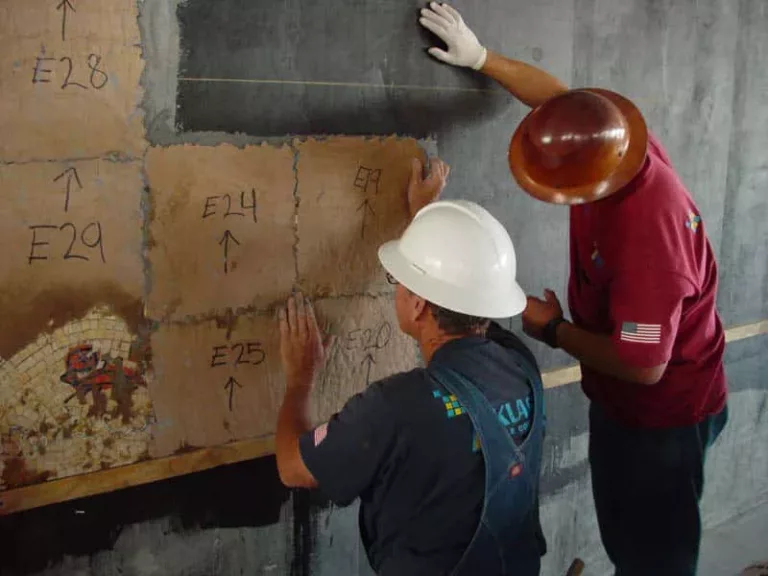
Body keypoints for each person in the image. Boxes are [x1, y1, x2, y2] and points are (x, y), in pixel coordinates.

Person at [418, 3, 728, 575]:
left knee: (652, 554)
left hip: (660, 417)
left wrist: (556, 331)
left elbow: (642, 361)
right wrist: (482, 58)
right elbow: (556, 100)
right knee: (626, 529)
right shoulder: (614, 142)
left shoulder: (646, 243)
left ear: (588, 186)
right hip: (626, 402)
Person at [275, 157, 547, 575]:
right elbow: (468, 289)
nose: (397, 290)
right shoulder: (520, 363)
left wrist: (300, 379)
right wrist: (428, 221)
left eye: (398, 281)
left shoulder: (396, 407)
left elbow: (293, 467)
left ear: (418, 302)